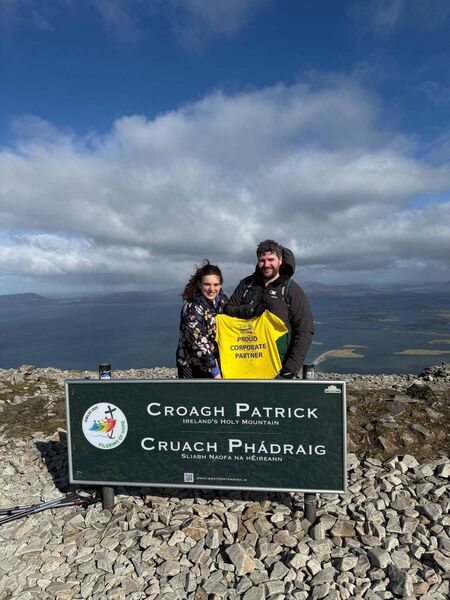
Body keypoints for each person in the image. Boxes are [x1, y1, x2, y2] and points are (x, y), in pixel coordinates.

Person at [224, 239, 313, 378]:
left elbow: (305, 330)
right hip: (245, 364)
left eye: (271, 259)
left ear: (280, 260)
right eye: (262, 260)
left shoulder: (291, 290)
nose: (266, 264)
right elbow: (228, 310)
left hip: (278, 367)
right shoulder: (246, 285)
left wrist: (291, 368)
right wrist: (249, 310)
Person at [176, 261, 228, 379]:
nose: (211, 289)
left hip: (216, 363)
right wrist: (216, 373)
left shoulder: (223, 302)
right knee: (194, 397)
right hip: (192, 367)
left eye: (216, 284)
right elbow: (200, 342)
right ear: (199, 284)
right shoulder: (192, 307)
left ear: (220, 285)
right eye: (207, 284)